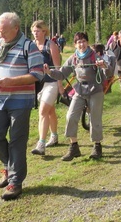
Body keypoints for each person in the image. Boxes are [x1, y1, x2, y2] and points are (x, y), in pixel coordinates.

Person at [0, 12, 44, 200]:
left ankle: (15, 183)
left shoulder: (29, 47)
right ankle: (10, 167)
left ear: (16, 28)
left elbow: (37, 75)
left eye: (4, 31)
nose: (0, 34)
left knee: (17, 141)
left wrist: (12, 81)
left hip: (21, 101)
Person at [44, 32, 113, 161]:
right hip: (80, 90)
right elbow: (61, 74)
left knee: (95, 118)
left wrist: (104, 66)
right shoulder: (73, 58)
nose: (81, 44)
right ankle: (74, 146)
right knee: (70, 116)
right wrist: (49, 72)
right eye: (78, 42)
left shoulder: (95, 56)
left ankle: (97, 146)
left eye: (83, 41)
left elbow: (108, 73)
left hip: (95, 90)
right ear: (75, 44)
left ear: (87, 42)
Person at [30, 21, 63, 156]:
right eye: (34, 31)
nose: (35, 33)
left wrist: (60, 86)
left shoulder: (51, 45)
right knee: (50, 112)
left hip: (52, 82)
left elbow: (57, 68)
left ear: (44, 31)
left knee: (43, 111)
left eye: (38, 31)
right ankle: (54, 136)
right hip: (38, 85)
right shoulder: (31, 46)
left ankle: (41, 144)